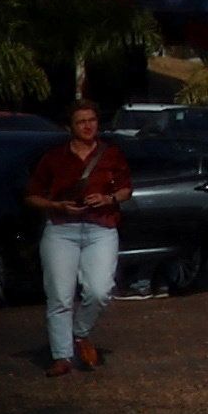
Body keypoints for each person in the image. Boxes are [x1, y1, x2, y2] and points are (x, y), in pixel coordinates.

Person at [23, 111, 133, 376]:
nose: (87, 126)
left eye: (92, 120)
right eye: (81, 122)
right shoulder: (54, 157)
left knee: (100, 290)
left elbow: (126, 188)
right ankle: (62, 355)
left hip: (101, 227)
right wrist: (56, 205)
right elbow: (32, 196)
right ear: (69, 126)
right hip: (62, 229)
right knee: (59, 295)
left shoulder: (111, 154)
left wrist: (108, 199)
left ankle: (79, 332)